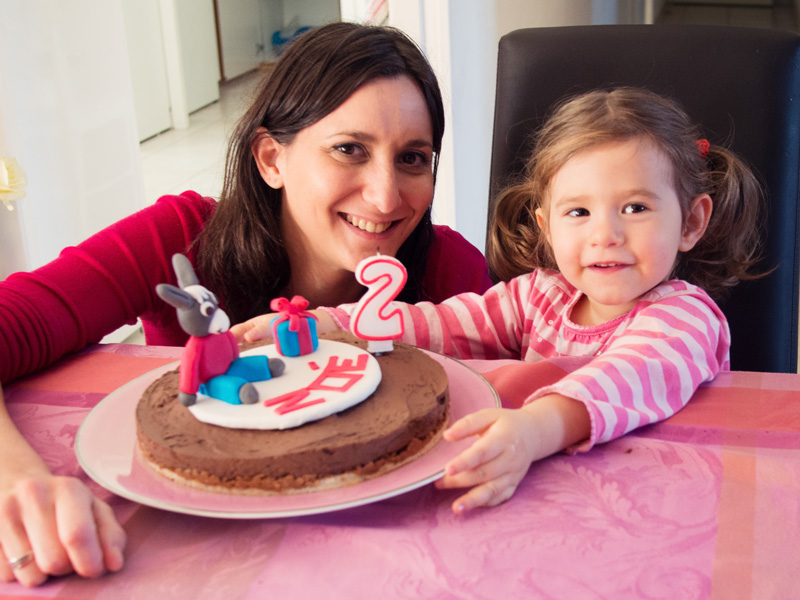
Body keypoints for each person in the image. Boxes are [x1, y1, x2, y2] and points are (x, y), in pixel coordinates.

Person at [0, 22, 491, 587]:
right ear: (270, 160)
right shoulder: (180, 238)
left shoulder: (453, 270)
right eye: (349, 150)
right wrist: (16, 479)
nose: (385, 196)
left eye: (412, 158)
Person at [236, 87, 763, 516]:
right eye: (578, 212)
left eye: (634, 207)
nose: (606, 234)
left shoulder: (685, 318)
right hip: (552, 498)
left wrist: (536, 428)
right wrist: (332, 324)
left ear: (691, 220)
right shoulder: (542, 294)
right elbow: (441, 325)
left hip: (659, 504)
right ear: (546, 226)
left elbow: (629, 373)